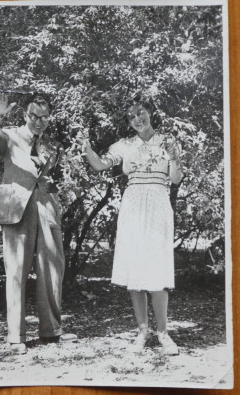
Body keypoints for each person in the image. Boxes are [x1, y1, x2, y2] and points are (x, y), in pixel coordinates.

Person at [78, 98, 183, 355]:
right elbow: (101, 164)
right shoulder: (124, 145)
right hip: (133, 205)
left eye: (141, 113)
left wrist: (175, 156)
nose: (138, 119)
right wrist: (87, 148)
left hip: (158, 204)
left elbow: (176, 178)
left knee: (157, 271)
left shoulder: (167, 141)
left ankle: (163, 333)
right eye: (132, 116)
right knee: (136, 272)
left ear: (149, 113)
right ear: (129, 122)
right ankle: (142, 331)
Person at [0, 93, 65, 354]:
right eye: (33, 116)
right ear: (25, 115)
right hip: (16, 208)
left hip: (46, 209)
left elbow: (51, 178)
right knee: (16, 271)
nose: (38, 121)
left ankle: (51, 331)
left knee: (52, 269)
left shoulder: (52, 145)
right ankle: (16, 336)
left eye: (44, 117)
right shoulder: (8, 135)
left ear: (49, 118)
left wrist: (55, 194)